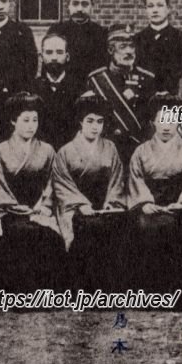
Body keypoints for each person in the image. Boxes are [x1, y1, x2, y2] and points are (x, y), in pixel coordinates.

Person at [127, 93, 182, 304]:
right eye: (161, 120)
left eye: (172, 121)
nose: (166, 126)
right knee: (145, 227)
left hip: (181, 204)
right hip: (150, 205)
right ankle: (151, 294)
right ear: (153, 122)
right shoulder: (141, 151)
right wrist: (144, 203)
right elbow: (136, 179)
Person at [0, 92, 66, 294]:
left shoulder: (47, 150)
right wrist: (15, 208)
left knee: (48, 235)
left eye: (35, 120)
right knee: (21, 233)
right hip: (9, 211)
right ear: (13, 121)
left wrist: (44, 205)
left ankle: (43, 293)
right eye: (25, 120)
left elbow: (53, 182)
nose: (31, 126)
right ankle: (19, 294)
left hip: (40, 209)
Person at [51, 93, 129, 292]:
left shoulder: (110, 147)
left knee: (116, 227)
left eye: (100, 122)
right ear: (80, 121)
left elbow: (117, 179)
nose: (95, 127)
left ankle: (109, 290)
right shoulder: (65, 151)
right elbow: (62, 184)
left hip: (105, 206)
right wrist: (81, 204)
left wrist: (111, 203)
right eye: (90, 121)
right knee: (87, 228)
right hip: (76, 208)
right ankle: (83, 290)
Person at [86, 24, 157, 163]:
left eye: (132, 46)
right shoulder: (97, 80)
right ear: (110, 50)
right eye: (123, 47)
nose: (129, 51)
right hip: (108, 149)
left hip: (140, 149)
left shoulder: (147, 78)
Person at [26, 32, 85, 149]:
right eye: (49, 52)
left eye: (59, 52)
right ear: (41, 57)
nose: (54, 57)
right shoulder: (31, 87)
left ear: (67, 56)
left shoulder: (80, 87)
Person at [133, 0, 182, 92]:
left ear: (168, 9)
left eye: (160, 5)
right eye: (150, 6)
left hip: (172, 96)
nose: (155, 10)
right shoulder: (136, 40)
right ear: (146, 10)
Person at [54, 0, 109, 80]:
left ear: (92, 6)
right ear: (68, 5)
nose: (80, 9)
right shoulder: (57, 31)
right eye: (75, 3)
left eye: (84, 4)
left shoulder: (101, 33)